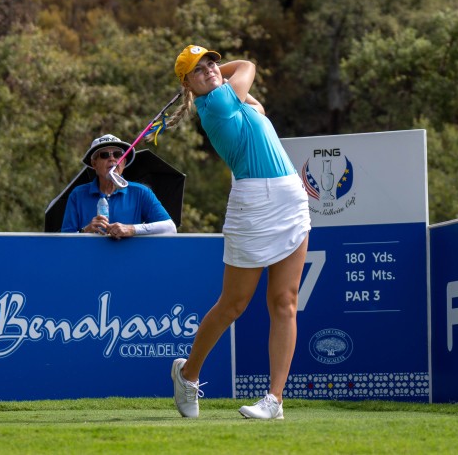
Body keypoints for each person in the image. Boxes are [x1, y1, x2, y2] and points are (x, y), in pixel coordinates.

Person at [168, 45, 311, 420]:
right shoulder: (215, 104)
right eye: (198, 70)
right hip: (254, 203)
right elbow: (247, 64)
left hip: (289, 197)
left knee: (285, 301)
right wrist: (210, 80)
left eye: (212, 63)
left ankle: (274, 400)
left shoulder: (235, 99)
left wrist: (204, 73)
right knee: (234, 304)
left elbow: (248, 91)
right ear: (188, 84)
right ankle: (187, 374)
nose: (211, 70)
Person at [60, 134, 176, 239]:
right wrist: (85, 231)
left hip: (129, 261)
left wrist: (131, 229)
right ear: (94, 164)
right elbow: (64, 242)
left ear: (124, 162)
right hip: (89, 261)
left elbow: (170, 228)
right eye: (104, 155)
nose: (112, 159)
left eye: (117, 154)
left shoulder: (141, 192)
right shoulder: (78, 194)